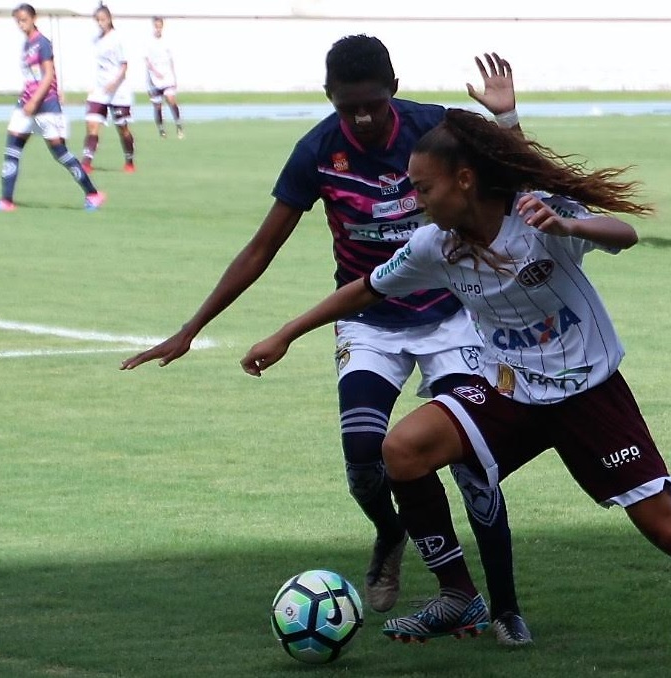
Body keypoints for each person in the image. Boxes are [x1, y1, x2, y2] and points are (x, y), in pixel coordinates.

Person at [239, 108, 671, 673]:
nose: (416, 201)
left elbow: (625, 233)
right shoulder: (433, 246)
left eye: (424, 187)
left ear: (464, 180)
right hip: (508, 394)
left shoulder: (535, 218)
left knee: (670, 529)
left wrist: (571, 225)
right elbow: (366, 289)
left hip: (588, 396)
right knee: (402, 449)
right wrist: (286, 333)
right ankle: (459, 594)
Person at [121, 36, 533, 646]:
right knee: (366, 457)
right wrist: (191, 328)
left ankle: (504, 608)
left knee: (471, 464)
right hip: (366, 320)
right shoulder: (316, 151)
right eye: (347, 108)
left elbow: (520, 175)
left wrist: (505, 118)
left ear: (393, 87)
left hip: (453, 318)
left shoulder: (436, 130)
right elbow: (262, 249)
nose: (361, 119)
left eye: (371, 104)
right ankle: (407, 546)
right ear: (329, 98)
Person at [0, 4, 105, 213]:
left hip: (46, 105)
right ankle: (6, 201)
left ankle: (93, 194)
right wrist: (26, 99)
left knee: (59, 152)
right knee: (12, 148)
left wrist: (34, 100)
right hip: (26, 106)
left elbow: (48, 76)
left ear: (33, 18)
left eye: (24, 20)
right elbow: (32, 77)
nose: (21, 24)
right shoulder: (26, 45)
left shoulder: (42, 43)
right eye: (18, 21)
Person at [82, 4, 136, 174]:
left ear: (109, 19)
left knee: (123, 128)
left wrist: (115, 82)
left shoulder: (118, 38)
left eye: (102, 19)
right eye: (97, 20)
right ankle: (86, 163)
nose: (100, 23)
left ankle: (129, 161)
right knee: (92, 124)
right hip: (100, 90)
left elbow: (124, 65)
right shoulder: (96, 40)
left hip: (118, 91)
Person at [145, 16, 184, 139]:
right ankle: (161, 129)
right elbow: (147, 61)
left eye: (160, 26)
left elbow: (171, 59)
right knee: (157, 105)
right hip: (153, 79)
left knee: (171, 98)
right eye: (156, 26)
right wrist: (155, 72)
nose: (158, 29)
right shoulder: (148, 42)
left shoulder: (167, 41)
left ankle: (179, 125)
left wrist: (174, 76)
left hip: (167, 77)